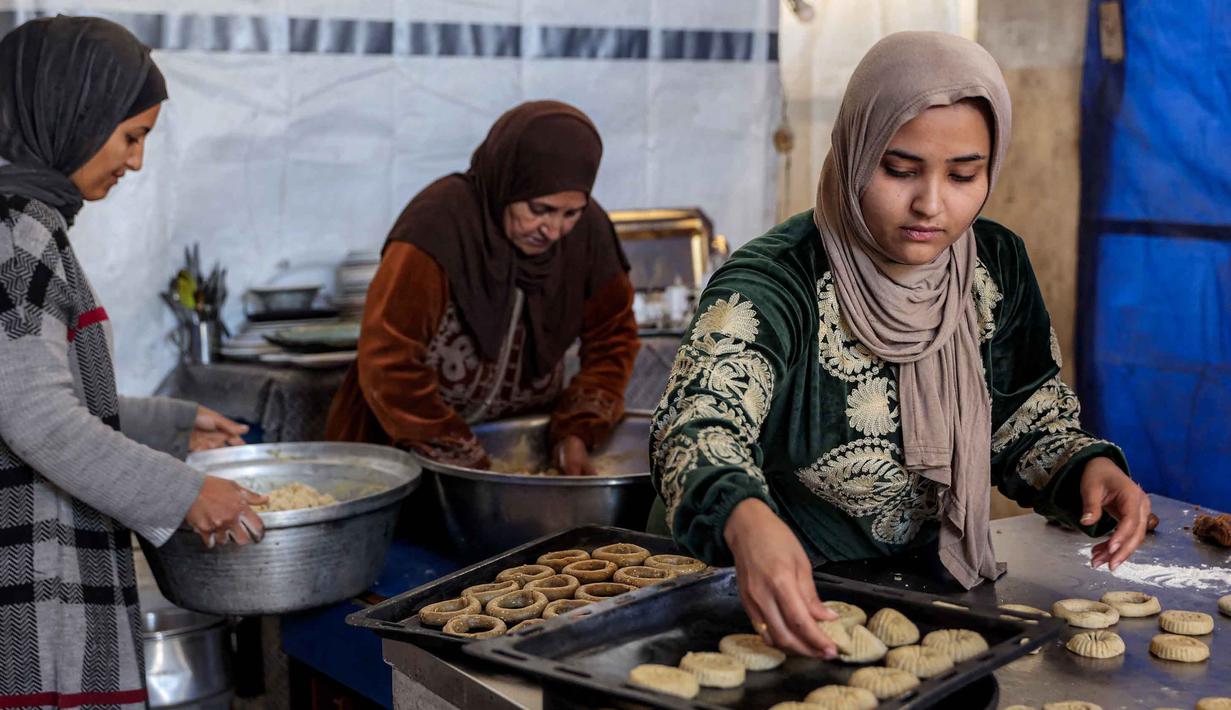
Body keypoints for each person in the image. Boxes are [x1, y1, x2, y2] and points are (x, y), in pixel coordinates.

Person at [648, 32, 1150, 659]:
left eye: (964, 174)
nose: (931, 204)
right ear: (855, 151)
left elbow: (1021, 418)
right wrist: (746, 522)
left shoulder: (993, 266)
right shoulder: (775, 285)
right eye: (899, 169)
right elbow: (695, 424)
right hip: (759, 601)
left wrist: (1083, 469)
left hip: (918, 593)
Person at [0, 16, 264, 706]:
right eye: (131, 137)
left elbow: (28, 382)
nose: (136, 161)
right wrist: (185, 494)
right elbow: (32, 417)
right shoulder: (15, 230)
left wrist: (169, 424)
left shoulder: (32, 222)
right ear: (72, 113)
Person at [326, 101, 639, 475]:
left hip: (520, 449)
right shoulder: (438, 224)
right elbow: (389, 360)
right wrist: (465, 461)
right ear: (508, 183)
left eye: (569, 213)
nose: (553, 231)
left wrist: (577, 431)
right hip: (401, 456)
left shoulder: (590, 232)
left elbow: (613, 339)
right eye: (539, 210)